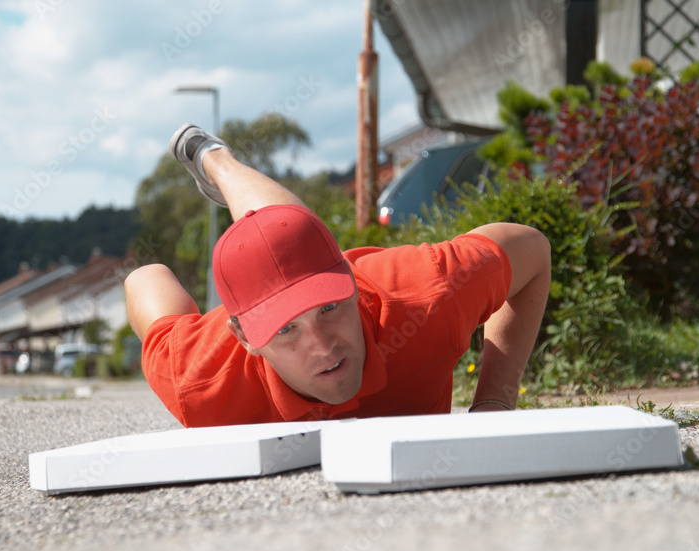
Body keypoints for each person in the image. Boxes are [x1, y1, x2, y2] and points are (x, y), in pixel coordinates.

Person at [124, 123, 551, 427]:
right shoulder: (200, 381)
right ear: (246, 338)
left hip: (368, 278)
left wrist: (494, 401)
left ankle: (221, 163)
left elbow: (532, 247)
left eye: (329, 308)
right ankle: (216, 160)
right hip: (240, 322)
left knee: (288, 229)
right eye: (287, 329)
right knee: (285, 231)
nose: (323, 345)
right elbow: (144, 278)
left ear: (349, 285)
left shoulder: (426, 293)